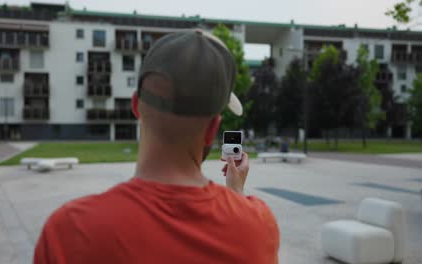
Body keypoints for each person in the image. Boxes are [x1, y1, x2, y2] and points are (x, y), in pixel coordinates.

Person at [34, 29, 280, 264]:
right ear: (212, 130)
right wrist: (236, 192)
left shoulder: (67, 232)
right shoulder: (258, 226)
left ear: (136, 106)